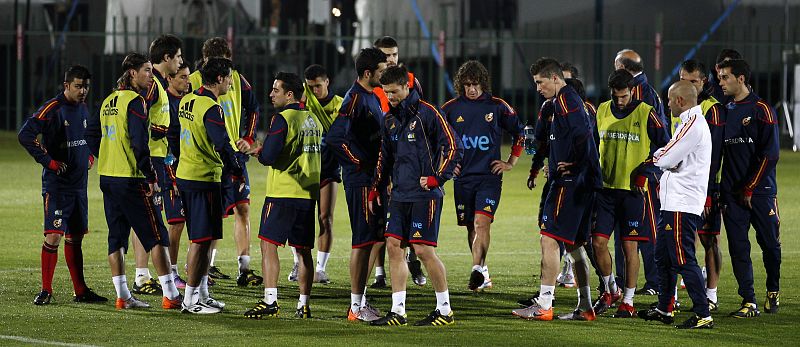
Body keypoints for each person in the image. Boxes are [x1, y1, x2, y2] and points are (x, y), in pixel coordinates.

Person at [369, 65, 463, 326]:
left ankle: (445, 310)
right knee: (393, 247)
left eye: (395, 91)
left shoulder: (429, 113)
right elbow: (384, 156)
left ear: (407, 87)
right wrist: (377, 186)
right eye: (386, 93)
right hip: (399, 195)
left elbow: (455, 147)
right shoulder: (389, 119)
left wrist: (437, 177)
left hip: (425, 195)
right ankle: (398, 311)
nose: (390, 97)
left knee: (422, 250)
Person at [87, 53, 182, 310]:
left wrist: (107, 154)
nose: (151, 75)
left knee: (116, 236)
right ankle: (171, 295)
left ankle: (123, 296)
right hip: (131, 178)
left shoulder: (108, 100)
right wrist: (150, 176)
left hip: (108, 177)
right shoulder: (136, 101)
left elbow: (91, 133)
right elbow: (140, 144)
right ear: (132, 73)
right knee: (156, 234)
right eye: (147, 70)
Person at [512, 58, 600, 321]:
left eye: (540, 82)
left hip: (570, 182)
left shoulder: (566, 100)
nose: (537, 87)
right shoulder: (557, 103)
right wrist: (536, 167)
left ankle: (545, 304)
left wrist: (574, 164)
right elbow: (543, 140)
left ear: (554, 78)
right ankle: (585, 307)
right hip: (582, 182)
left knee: (548, 238)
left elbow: (583, 134)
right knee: (574, 245)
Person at [18, 65, 108, 306]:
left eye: (86, 86)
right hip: (57, 187)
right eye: (78, 86)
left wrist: (89, 155)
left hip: (79, 187)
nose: (83, 91)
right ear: (66, 86)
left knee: (75, 238)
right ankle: (46, 289)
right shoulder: (53, 108)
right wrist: (49, 162)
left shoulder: (84, 108)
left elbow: (86, 137)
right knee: (54, 236)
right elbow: (25, 134)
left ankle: (80, 290)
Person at [590, 70, 669, 318]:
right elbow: (592, 145)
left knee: (629, 248)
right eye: (616, 96)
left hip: (634, 193)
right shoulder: (602, 110)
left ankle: (629, 301)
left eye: (623, 96)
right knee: (598, 243)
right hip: (605, 191)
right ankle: (611, 287)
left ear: (633, 91)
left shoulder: (646, 112)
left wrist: (647, 170)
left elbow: (665, 147)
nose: (620, 101)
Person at [244, 72, 321, 319]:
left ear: (289, 94)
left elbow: (269, 156)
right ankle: (304, 304)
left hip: (283, 192)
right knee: (304, 250)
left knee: (268, 244)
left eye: (276, 90)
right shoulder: (313, 119)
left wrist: (259, 151)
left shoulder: (282, 119)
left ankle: (270, 301)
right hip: (308, 194)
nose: (271, 94)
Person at [441, 60, 524, 291]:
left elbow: (520, 133)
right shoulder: (450, 109)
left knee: (481, 223)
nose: (472, 89)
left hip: (489, 178)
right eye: (467, 85)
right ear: (461, 85)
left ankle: (476, 270)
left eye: (475, 84)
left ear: (483, 84)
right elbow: (435, 139)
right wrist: (447, 164)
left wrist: (510, 162)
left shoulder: (497, 107)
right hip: (463, 179)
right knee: (471, 227)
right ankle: (483, 271)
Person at [639, 80, 714, 329]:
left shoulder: (692, 124)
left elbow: (665, 157)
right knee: (664, 257)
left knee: (683, 259)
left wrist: (661, 158)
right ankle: (664, 308)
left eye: (670, 99)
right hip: (673, 202)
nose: (667, 103)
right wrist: (668, 159)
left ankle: (703, 314)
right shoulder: (688, 123)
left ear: (680, 101)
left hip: (682, 204)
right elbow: (671, 158)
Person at [188, 37, 262, 286]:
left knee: (243, 209)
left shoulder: (238, 80)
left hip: (235, 155)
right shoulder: (194, 81)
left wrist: (248, 138)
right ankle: (204, 267)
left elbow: (254, 109)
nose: (224, 73)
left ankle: (244, 269)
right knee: (210, 215)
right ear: (206, 61)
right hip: (209, 158)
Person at [176, 57, 244, 313]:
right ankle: (190, 300)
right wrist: (236, 170)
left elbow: (176, 135)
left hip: (188, 174)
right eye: (228, 78)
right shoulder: (211, 108)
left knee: (206, 237)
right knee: (201, 240)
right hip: (202, 178)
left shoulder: (187, 100)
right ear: (219, 79)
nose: (230, 82)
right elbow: (222, 144)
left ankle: (202, 293)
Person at [326, 47, 387, 322]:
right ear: (367, 73)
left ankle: (360, 300)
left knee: (373, 238)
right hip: (360, 180)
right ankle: (355, 306)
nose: (384, 75)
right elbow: (335, 138)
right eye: (382, 71)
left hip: (372, 179)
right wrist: (359, 163)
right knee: (362, 242)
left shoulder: (371, 97)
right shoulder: (354, 99)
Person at [717, 59, 781, 318]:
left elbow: (771, 153)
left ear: (740, 78)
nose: (720, 82)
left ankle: (773, 289)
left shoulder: (762, 109)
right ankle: (749, 300)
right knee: (739, 248)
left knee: (770, 245)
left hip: (761, 191)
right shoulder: (723, 111)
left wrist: (751, 187)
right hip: (732, 193)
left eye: (725, 77)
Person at [127, 34, 183, 296]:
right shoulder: (152, 84)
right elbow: (140, 113)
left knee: (146, 214)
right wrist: (158, 131)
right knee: (147, 215)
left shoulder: (157, 83)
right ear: (167, 58)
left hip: (156, 156)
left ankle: (144, 274)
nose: (181, 61)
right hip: (152, 157)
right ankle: (142, 275)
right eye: (178, 57)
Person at [370, 35, 426, 288]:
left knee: (408, 212)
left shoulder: (410, 81)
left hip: (405, 157)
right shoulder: (372, 83)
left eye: (393, 54)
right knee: (381, 219)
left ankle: (414, 259)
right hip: (381, 153)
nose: (390, 59)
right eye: (385, 55)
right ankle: (380, 273)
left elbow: (420, 115)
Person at [613, 49, 663, 297]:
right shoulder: (646, 90)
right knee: (630, 229)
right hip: (632, 174)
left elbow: (658, 139)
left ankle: (653, 282)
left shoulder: (640, 95)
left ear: (622, 68)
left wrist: (647, 169)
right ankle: (624, 281)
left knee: (645, 229)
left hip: (641, 176)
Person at [678, 59, 726, 311]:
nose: (688, 86)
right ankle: (671, 295)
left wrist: (708, 193)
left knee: (709, 240)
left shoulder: (712, 110)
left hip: (705, 188)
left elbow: (714, 155)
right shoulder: (679, 105)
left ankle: (712, 294)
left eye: (693, 82)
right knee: (675, 239)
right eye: (684, 81)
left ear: (704, 82)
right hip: (681, 186)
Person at [289, 64, 343, 284]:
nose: (314, 90)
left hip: (329, 168)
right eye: (310, 86)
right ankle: (297, 263)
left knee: (325, 218)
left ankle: (320, 268)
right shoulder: (304, 99)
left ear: (327, 82)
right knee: (300, 219)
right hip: (304, 169)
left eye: (318, 86)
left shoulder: (339, 104)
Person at [164, 61, 190, 288]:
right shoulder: (165, 103)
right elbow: (166, 144)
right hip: (172, 170)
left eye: (188, 77)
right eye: (182, 77)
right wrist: (171, 175)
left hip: (188, 168)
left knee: (188, 221)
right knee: (176, 222)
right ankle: (171, 273)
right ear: (170, 79)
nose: (187, 81)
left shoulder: (187, 102)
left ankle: (195, 268)